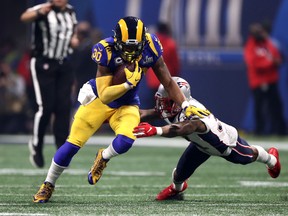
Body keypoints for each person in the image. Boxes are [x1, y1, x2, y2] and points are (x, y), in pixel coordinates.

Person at [31, 16, 210, 203]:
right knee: (71, 146)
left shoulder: (151, 46)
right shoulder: (105, 50)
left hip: (127, 103)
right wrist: (127, 84)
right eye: (127, 46)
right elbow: (105, 94)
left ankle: (104, 157)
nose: (131, 51)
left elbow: (167, 81)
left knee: (126, 140)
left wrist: (185, 105)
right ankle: (48, 184)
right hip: (99, 100)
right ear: (117, 41)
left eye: (135, 46)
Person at [133, 77, 281, 201]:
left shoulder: (192, 115)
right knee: (179, 175)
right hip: (200, 144)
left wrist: (156, 130)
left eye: (168, 102)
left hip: (223, 143)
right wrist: (121, 115)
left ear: (178, 101)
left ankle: (271, 159)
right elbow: (152, 112)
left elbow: (181, 128)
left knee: (247, 156)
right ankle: (176, 189)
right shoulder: (174, 108)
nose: (162, 105)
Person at [20, 0, 79, 168]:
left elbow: (72, 32)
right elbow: (24, 17)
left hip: (63, 63)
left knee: (63, 107)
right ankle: (37, 145)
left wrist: (73, 40)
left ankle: (62, 150)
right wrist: (39, 13)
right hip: (43, 62)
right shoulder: (43, 9)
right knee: (45, 107)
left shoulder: (70, 11)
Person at [244, 23, 286, 136]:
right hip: (258, 82)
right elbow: (254, 63)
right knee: (259, 107)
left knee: (276, 106)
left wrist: (274, 61)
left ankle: (280, 131)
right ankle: (259, 131)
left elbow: (278, 57)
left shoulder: (268, 43)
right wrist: (270, 62)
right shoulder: (251, 45)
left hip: (271, 80)